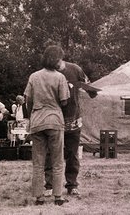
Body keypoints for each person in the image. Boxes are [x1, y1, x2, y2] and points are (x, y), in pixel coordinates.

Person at [44, 55, 97, 197]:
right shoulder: (47, 73)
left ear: (61, 58)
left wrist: (92, 90)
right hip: (54, 119)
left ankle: (72, 184)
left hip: (73, 118)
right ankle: (49, 185)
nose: (54, 66)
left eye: (56, 62)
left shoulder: (75, 69)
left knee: (72, 154)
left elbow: (90, 88)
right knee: (51, 153)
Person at [24, 45, 70, 206]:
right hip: (54, 120)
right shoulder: (60, 77)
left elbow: (28, 101)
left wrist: (31, 117)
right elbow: (64, 101)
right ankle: (58, 196)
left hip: (37, 120)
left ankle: (39, 196)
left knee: (38, 161)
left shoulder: (34, 76)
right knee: (57, 160)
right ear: (56, 60)